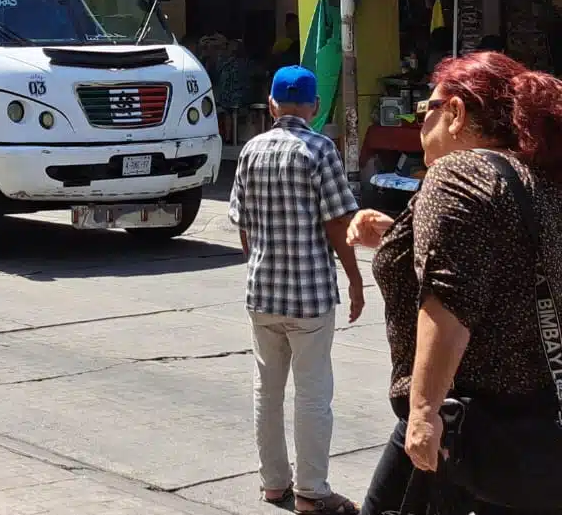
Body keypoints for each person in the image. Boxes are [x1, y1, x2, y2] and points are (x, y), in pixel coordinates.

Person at [348, 52, 562, 515]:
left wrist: (423, 413)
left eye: (427, 111)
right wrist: (395, 236)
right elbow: (501, 264)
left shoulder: (457, 172)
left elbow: (449, 300)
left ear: (457, 112)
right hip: (533, 420)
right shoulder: (537, 179)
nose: (419, 124)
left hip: (461, 423)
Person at [229, 65, 366, 515]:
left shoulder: (250, 150)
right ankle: (311, 490)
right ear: (315, 106)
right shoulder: (320, 149)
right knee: (312, 393)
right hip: (309, 298)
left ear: (271, 104)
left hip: (262, 294)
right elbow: (337, 223)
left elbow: (243, 226)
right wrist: (355, 278)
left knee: (266, 391)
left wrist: (259, 266)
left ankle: (273, 485)